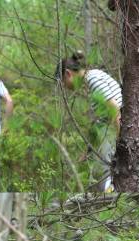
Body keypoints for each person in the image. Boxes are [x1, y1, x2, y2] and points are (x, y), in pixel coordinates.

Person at [56, 52, 122, 192]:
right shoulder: (93, 76)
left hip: (117, 131)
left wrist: (121, 142)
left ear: (68, 74)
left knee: (106, 177)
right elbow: (102, 120)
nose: (65, 87)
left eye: (63, 82)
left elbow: (115, 109)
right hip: (110, 132)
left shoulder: (94, 80)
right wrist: (88, 150)